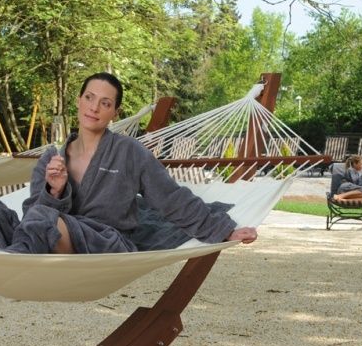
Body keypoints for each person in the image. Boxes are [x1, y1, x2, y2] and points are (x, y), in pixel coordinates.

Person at [20, 72, 257, 254]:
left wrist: (223, 231)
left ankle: (12, 260)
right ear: (78, 101)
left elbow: (171, 197)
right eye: (89, 98)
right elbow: (33, 216)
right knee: (3, 213)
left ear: (115, 113)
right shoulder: (51, 160)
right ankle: (5, 262)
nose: (94, 108)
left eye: (105, 103)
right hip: (59, 240)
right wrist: (54, 191)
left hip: (106, 244)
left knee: (42, 221)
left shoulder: (129, 152)